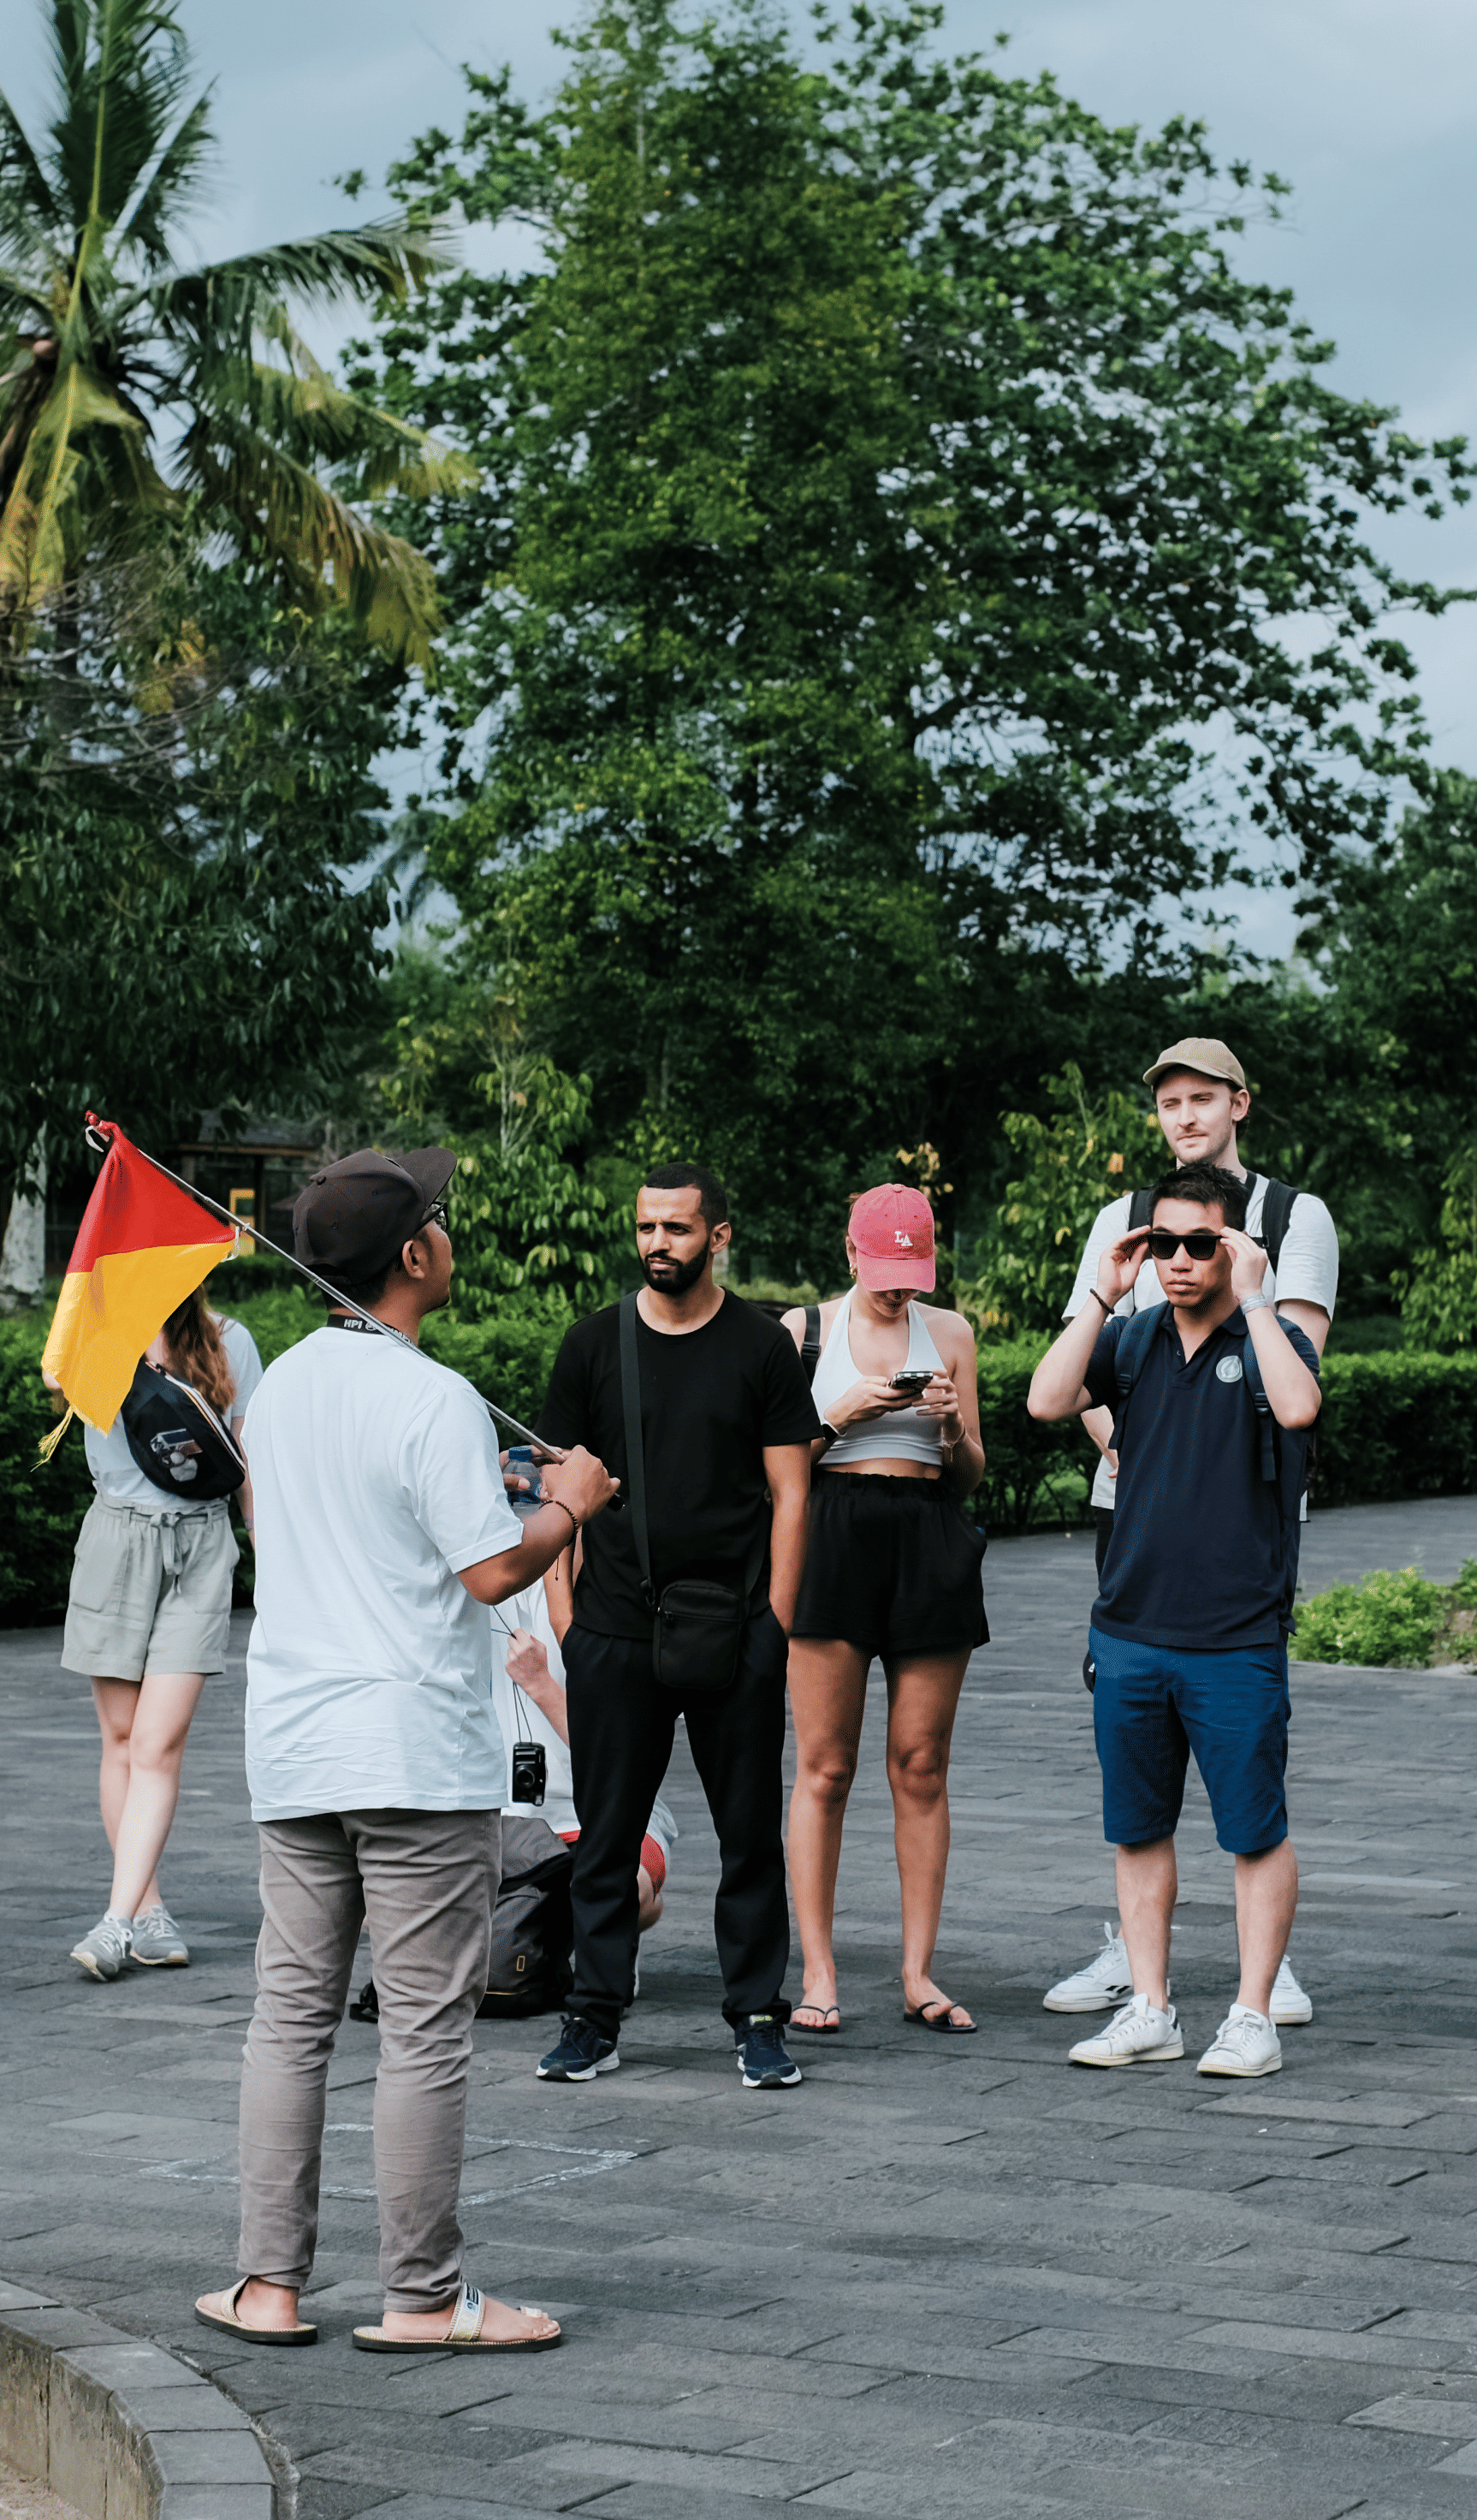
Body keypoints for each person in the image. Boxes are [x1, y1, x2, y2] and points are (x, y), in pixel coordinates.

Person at [193, 1147, 616, 2354]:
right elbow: (493, 1573)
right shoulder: (430, 1395)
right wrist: (568, 1504)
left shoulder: (275, 1396)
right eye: (439, 1218)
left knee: (291, 2018)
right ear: (413, 1255)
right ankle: (422, 2299)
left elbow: (308, 1531)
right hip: (413, 1748)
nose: (448, 1230)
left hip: (295, 1741)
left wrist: (488, 1493)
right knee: (426, 2028)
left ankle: (266, 2289)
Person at [1044, 1037, 1338, 2027]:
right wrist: (1127, 1437)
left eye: (1201, 1098)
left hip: (1239, 1522)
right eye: (1168, 1101)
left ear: (1239, 1104)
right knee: (1138, 1781)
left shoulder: (1292, 1218)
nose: (1184, 1115)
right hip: (1135, 1511)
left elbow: (1291, 1377)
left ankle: (1265, 1973)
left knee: (1243, 1783)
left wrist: (1238, 1288)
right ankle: (1142, 1968)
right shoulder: (1124, 1224)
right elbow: (1071, 1385)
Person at [532, 1162, 819, 2092]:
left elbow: (790, 1492)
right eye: (648, 1226)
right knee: (604, 1834)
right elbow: (559, 1492)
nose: (660, 1243)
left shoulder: (762, 1347)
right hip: (614, 1626)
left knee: (749, 1835)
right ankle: (593, 2014)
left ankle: (757, 2016)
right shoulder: (591, 1344)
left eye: (679, 1229)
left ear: (719, 1236)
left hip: (735, 1626)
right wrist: (568, 1617)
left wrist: (775, 1622)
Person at [781, 1185, 988, 2036]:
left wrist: (946, 1429)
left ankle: (916, 1971)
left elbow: (971, 1472)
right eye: (885, 1270)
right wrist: (842, 1411)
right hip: (828, 1531)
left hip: (926, 1534)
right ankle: (820, 1972)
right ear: (850, 1252)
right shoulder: (800, 1333)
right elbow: (770, 1467)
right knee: (826, 1766)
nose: (899, 1289)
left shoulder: (950, 1333)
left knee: (920, 1763)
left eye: (913, 1272)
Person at [59, 1290, 263, 1982]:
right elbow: (62, 1383)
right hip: (117, 1539)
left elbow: (246, 1465)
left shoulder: (231, 1340)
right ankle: (144, 1908)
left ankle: (115, 1924)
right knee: (120, 1741)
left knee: (156, 1744)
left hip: (201, 1549)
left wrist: (267, 1555)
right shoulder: (98, 1335)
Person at [489, 1551, 678, 1961]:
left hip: (605, 1815)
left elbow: (624, 1753)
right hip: (500, 1823)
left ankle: (564, 1936)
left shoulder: (619, 1606)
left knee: (626, 1889)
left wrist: (541, 1685)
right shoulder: (472, 1593)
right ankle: (556, 1940)